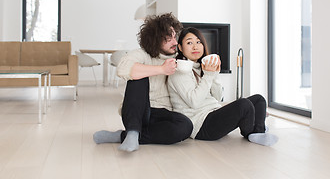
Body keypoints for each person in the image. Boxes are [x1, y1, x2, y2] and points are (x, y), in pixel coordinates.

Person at [93, 13, 193, 152]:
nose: (175, 42)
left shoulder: (179, 58)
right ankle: (133, 132)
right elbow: (122, 69)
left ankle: (124, 136)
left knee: (186, 126)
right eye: (168, 39)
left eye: (174, 37)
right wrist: (161, 69)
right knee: (137, 76)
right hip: (138, 111)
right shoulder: (142, 54)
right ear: (155, 39)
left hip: (163, 114)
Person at [167, 27, 278, 146]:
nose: (195, 46)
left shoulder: (202, 67)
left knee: (259, 99)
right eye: (189, 43)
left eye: (199, 42)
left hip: (214, 113)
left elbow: (218, 97)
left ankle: (258, 131)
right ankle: (253, 130)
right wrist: (209, 75)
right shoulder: (179, 72)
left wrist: (214, 74)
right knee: (244, 105)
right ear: (180, 48)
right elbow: (194, 102)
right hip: (201, 125)